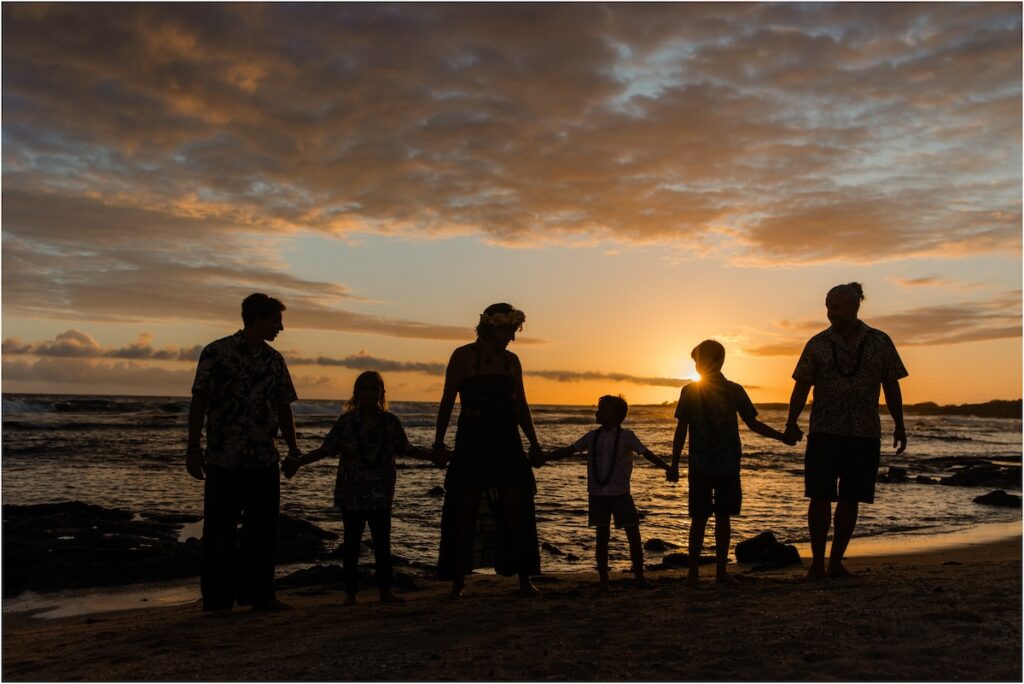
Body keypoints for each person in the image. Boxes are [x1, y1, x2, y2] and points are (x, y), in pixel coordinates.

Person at [783, 282, 908, 580]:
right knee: (819, 496)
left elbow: (892, 386)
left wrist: (900, 425)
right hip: (824, 430)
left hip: (864, 433)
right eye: (828, 306)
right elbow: (801, 385)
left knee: (851, 497)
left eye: (836, 307)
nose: (830, 313)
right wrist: (791, 421)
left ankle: (835, 561)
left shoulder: (880, 342)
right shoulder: (817, 344)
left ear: (854, 306)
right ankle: (816, 564)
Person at [282, 371, 439, 605]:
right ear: (356, 393)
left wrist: (436, 457)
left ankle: (385, 591)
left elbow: (407, 449)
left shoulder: (390, 422)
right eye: (363, 389)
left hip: (381, 494)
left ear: (381, 393)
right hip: (351, 493)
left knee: (382, 543)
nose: (368, 394)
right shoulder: (346, 422)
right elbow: (326, 450)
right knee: (352, 543)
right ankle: (351, 594)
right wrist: (298, 462)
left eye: (373, 389)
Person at [186, 293, 299, 612]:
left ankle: (260, 595)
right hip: (224, 458)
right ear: (257, 318)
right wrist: (193, 448)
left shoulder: (275, 360)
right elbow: (199, 401)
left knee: (263, 533)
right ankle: (218, 600)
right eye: (276, 320)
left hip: (264, 459)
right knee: (219, 531)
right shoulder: (217, 353)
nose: (280, 327)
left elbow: (283, 406)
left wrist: (293, 448)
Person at [433, 303, 543, 598]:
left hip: (506, 440)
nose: (512, 337)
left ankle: (523, 578)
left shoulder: (512, 361)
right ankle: (458, 582)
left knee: (514, 508)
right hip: (473, 440)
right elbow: (446, 402)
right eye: (509, 330)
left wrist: (533, 443)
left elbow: (521, 405)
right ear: (493, 326)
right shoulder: (463, 357)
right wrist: (438, 442)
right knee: (465, 510)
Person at [669, 340, 796, 585]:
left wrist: (675, 464)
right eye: (695, 362)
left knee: (703, 518)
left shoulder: (699, 390)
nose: (697, 366)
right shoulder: (728, 390)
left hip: (709, 465)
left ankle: (701, 572)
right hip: (720, 464)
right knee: (716, 518)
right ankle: (712, 572)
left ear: (717, 361)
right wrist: (781, 437)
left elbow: (681, 430)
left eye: (699, 361)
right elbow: (752, 424)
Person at [540, 394, 671, 590]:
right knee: (602, 536)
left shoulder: (627, 436)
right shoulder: (592, 436)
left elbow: (647, 454)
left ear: (616, 415)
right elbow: (569, 450)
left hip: (620, 493)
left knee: (633, 534)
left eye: (603, 409)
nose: (597, 412)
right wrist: (544, 458)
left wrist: (668, 468)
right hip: (597, 493)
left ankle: (640, 577)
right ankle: (603, 579)